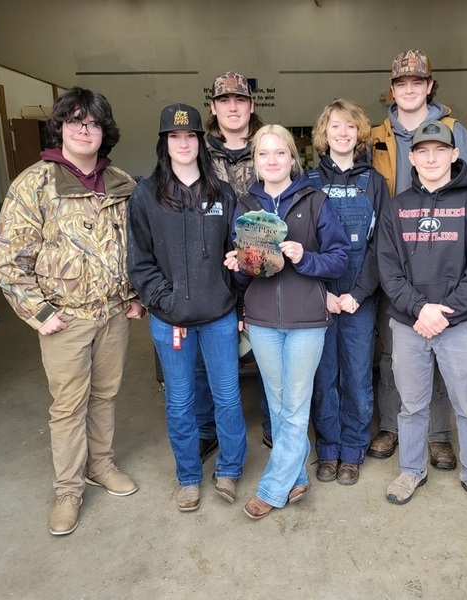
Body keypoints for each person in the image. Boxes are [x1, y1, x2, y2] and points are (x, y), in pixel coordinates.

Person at [0, 87, 142, 536]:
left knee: (105, 396)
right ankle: (68, 490)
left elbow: (137, 247)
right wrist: (39, 312)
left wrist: (136, 294)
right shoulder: (34, 183)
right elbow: (8, 256)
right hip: (66, 318)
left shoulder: (122, 183)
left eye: (93, 122)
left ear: (104, 131)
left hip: (114, 314)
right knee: (68, 406)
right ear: (59, 127)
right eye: (74, 121)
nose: (83, 129)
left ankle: (101, 465)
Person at [377, 120, 467, 516]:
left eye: (439, 150)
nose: (431, 158)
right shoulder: (396, 208)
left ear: (454, 154)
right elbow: (388, 269)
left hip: (458, 324)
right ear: (412, 158)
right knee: (411, 405)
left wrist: (442, 313)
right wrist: (419, 309)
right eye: (423, 151)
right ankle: (411, 469)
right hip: (410, 323)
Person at [224, 125, 350, 520]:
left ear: (292, 159)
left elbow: (341, 257)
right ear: (256, 162)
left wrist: (304, 257)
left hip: (307, 319)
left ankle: (272, 489)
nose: (272, 160)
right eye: (264, 154)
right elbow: (245, 276)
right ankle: (296, 476)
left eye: (280, 153)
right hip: (261, 320)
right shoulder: (245, 205)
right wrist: (238, 265)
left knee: (294, 406)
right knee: (279, 405)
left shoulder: (314, 201)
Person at [128, 103, 248, 513]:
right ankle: (188, 477)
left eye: (191, 136)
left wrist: (236, 291)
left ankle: (230, 469)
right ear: (165, 143)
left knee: (228, 397)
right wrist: (166, 300)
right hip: (171, 321)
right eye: (175, 137)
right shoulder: (146, 194)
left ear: (201, 141)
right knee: (179, 401)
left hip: (219, 317)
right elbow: (139, 260)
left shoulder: (222, 192)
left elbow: (237, 252)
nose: (183, 143)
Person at [369, 49, 467, 470]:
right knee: (393, 349)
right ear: (392, 88)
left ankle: (438, 436)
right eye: (402, 83)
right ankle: (393, 426)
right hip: (396, 258)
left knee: (441, 345)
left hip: (445, 261)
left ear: (430, 86)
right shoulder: (376, 133)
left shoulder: (456, 132)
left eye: (418, 82)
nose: (410, 88)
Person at [308, 99, 388, 485]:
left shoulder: (374, 182)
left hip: (360, 296)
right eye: (335, 126)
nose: (342, 133)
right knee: (324, 377)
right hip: (319, 297)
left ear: (360, 134)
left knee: (356, 376)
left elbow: (381, 246)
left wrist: (358, 292)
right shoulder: (308, 183)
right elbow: (302, 244)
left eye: (350, 126)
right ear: (324, 134)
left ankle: (353, 451)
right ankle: (328, 450)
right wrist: (321, 293)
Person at [193, 71, 272, 460]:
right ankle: (207, 428)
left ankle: (273, 425)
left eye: (240, 100)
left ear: (251, 105)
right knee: (207, 352)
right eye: (225, 101)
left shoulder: (268, 145)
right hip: (210, 264)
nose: (233, 107)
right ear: (214, 107)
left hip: (261, 260)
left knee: (267, 344)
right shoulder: (198, 151)